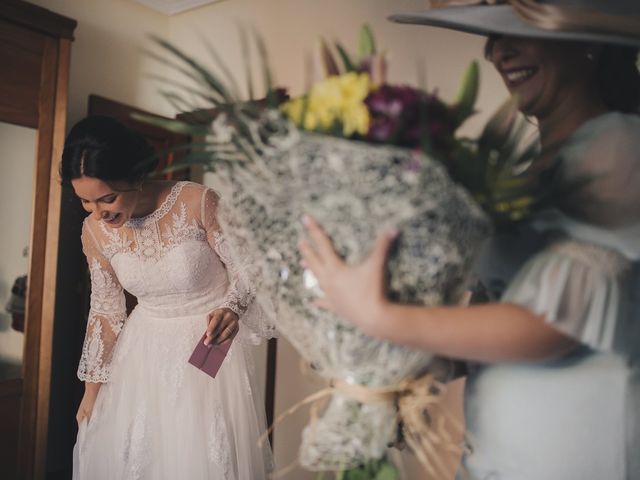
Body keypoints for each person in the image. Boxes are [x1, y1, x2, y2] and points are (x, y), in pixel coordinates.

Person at [299, 1, 640, 479]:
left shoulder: (620, 144)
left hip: (573, 451)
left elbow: (553, 325)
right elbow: (492, 316)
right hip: (493, 455)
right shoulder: (521, 176)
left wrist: (381, 316)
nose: (498, 52)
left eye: (519, 29)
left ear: (586, 39)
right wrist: (393, 361)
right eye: (494, 38)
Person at [61, 115, 274, 479]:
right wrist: (92, 389)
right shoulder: (94, 232)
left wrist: (232, 307)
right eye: (85, 202)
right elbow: (105, 310)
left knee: (200, 457)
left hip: (208, 347)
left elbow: (249, 267)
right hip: (141, 355)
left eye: (107, 198)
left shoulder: (197, 201)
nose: (98, 213)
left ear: (134, 175)